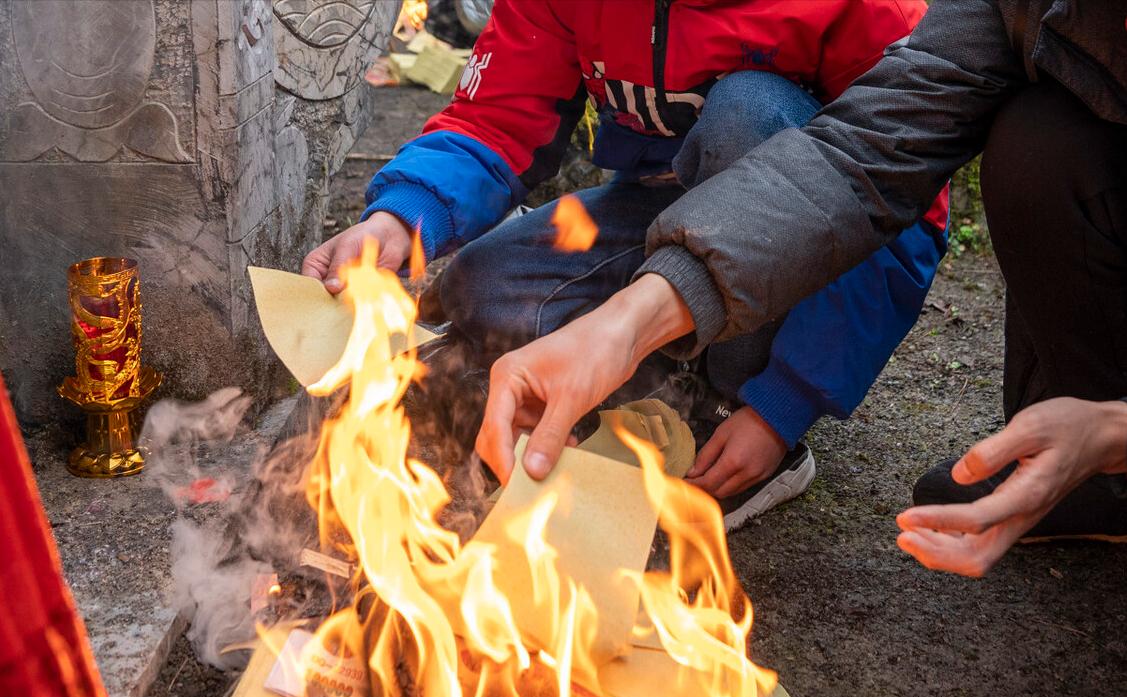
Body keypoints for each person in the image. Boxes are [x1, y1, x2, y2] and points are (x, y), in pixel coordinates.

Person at [475, 0, 1127, 576]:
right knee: (1043, 143)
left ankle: (729, 409)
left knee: (749, 112)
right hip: (668, 209)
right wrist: (626, 323)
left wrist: (1109, 430)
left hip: (761, 192)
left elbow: (906, 230)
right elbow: (860, 158)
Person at [303, 0, 949, 530]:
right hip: (654, 211)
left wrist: (781, 406)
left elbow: (901, 211)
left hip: (789, 230)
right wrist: (399, 218)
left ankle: (729, 404)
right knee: (481, 290)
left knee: (745, 113)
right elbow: (498, 115)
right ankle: (661, 371)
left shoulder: (865, 8)